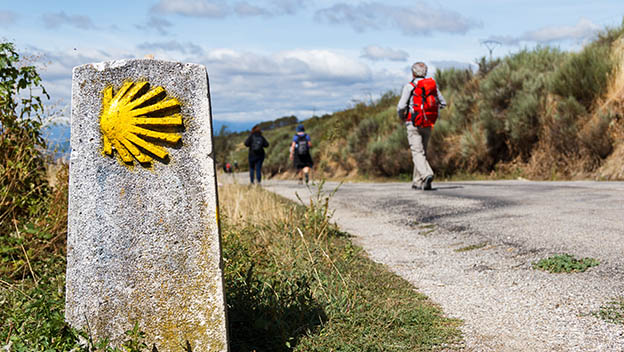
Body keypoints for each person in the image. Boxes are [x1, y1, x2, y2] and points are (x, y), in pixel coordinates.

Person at [397, 61, 446, 191]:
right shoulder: (432, 86)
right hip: (428, 123)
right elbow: (443, 103)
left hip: (413, 123)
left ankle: (426, 174)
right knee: (422, 153)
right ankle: (417, 182)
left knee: (417, 152)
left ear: (413, 72)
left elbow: (401, 106)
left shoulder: (410, 86)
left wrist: (402, 116)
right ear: (425, 72)